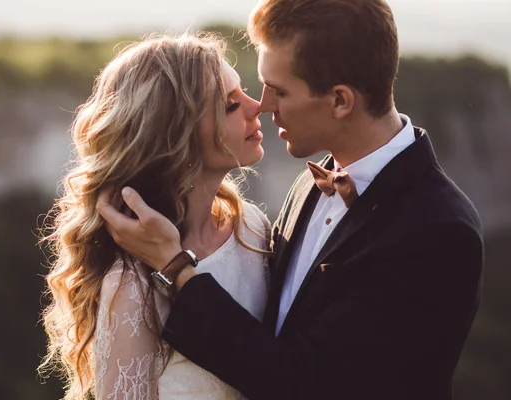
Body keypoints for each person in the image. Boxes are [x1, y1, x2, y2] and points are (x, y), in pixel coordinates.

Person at [96, 0, 485, 399]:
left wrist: (176, 267)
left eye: (278, 90)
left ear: (340, 101)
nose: (262, 105)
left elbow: (305, 384)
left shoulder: (438, 232)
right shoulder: (307, 188)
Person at [39, 33, 273, 400]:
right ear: (177, 134)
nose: (256, 105)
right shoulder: (132, 284)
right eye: (230, 104)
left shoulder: (253, 228)